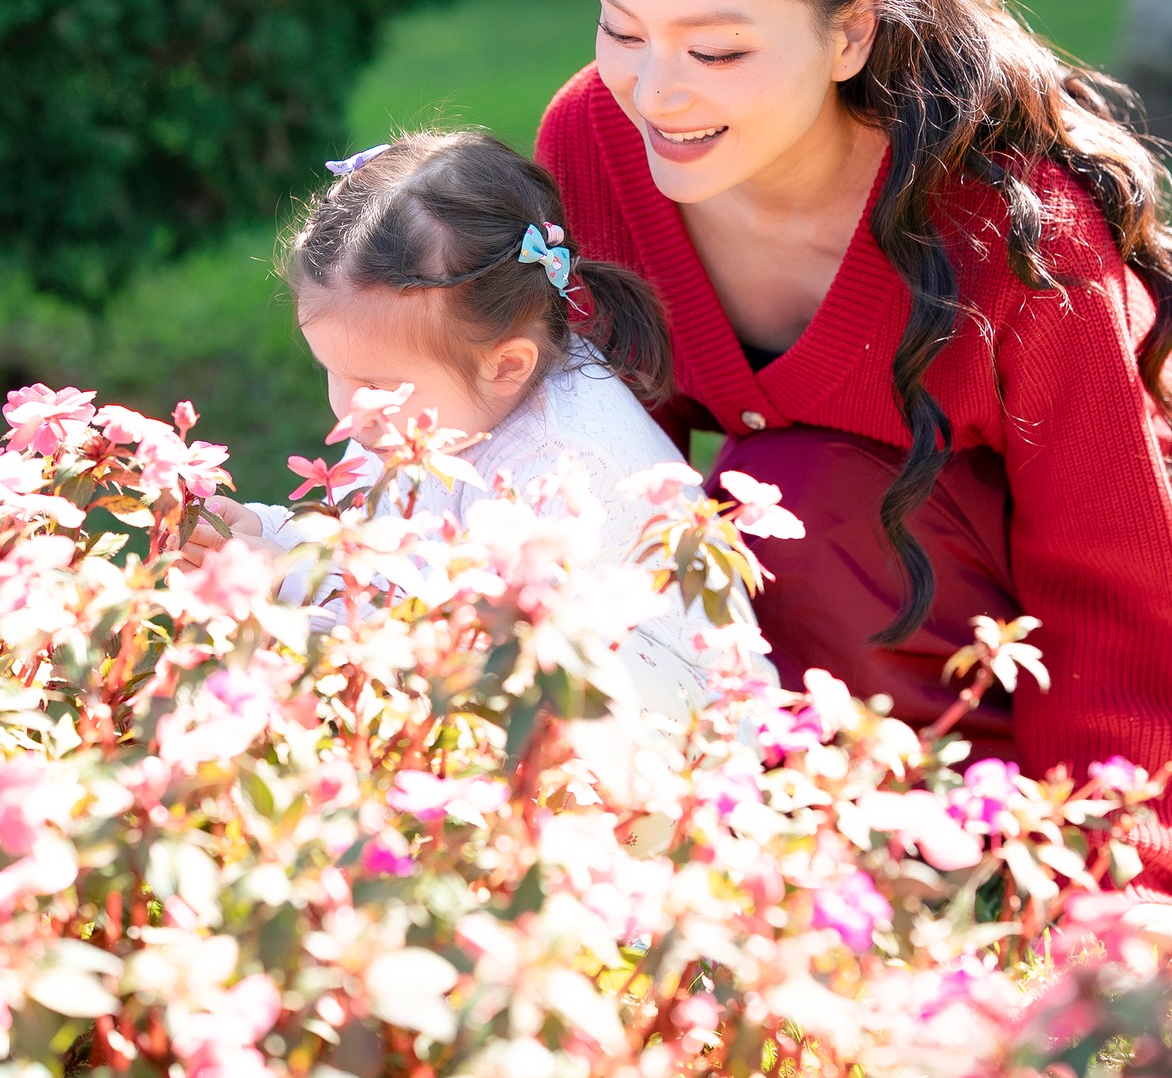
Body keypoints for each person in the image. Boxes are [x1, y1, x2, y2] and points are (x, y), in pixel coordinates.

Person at [536, 0, 1172, 903]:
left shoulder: (1017, 237)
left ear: (852, 31)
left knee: (795, 496)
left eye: (716, 47)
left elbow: (1119, 586)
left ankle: (970, 834)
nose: (654, 87)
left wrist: (1109, 885)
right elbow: (610, 468)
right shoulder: (595, 141)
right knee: (774, 494)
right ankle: (909, 814)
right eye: (622, 26)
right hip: (918, 577)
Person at [183, 130, 773, 718]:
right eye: (330, 372)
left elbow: (462, 653)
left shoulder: (560, 464)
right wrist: (274, 543)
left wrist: (286, 591)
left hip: (666, 723)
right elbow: (377, 551)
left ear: (506, 366)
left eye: (375, 386)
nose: (348, 407)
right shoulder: (421, 414)